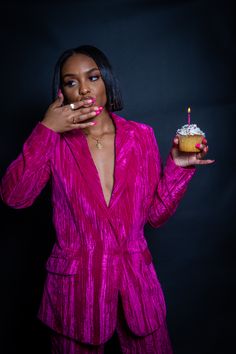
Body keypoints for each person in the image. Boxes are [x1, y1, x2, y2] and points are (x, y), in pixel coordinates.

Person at [0, 45, 214, 354]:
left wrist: (179, 168)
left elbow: (154, 215)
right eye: (71, 82)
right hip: (76, 296)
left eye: (93, 77)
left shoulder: (141, 137)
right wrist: (46, 129)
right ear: (61, 93)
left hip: (138, 291)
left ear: (107, 82)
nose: (84, 89)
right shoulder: (54, 143)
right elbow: (14, 196)